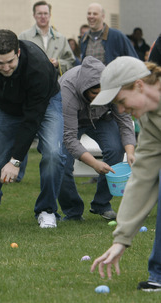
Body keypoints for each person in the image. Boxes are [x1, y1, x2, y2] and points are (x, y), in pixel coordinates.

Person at [0, 29, 65, 228]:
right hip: (5, 106)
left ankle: (47, 209)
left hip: (45, 103)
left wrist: (15, 161)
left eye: (10, 62)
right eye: (0, 63)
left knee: (53, 154)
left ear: (18, 52)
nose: (6, 67)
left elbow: (32, 120)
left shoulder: (38, 67)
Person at [90, 56, 161, 292]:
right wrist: (121, 239)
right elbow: (142, 176)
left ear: (139, 85)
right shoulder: (150, 121)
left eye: (121, 100)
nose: (121, 110)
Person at [58, 56, 136, 221]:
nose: (100, 97)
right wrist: (94, 163)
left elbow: (124, 120)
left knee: (116, 148)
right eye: (94, 93)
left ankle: (101, 204)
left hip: (101, 119)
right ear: (85, 89)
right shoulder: (68, 91)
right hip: (72, 122)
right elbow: (69, 138)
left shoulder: (114, 85)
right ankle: (73, 211)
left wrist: (130, 151)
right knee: (61, 161)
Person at [19, 1, 75, 75]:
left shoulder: (61, 39)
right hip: (32, 83)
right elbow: (18, 61)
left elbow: (71, 62)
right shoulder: (24, 37)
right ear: (34, 15)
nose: (43, 16)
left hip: (56, 84)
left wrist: (58, 63)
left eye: (45, 13)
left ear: (50, 15)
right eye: (39, 13)